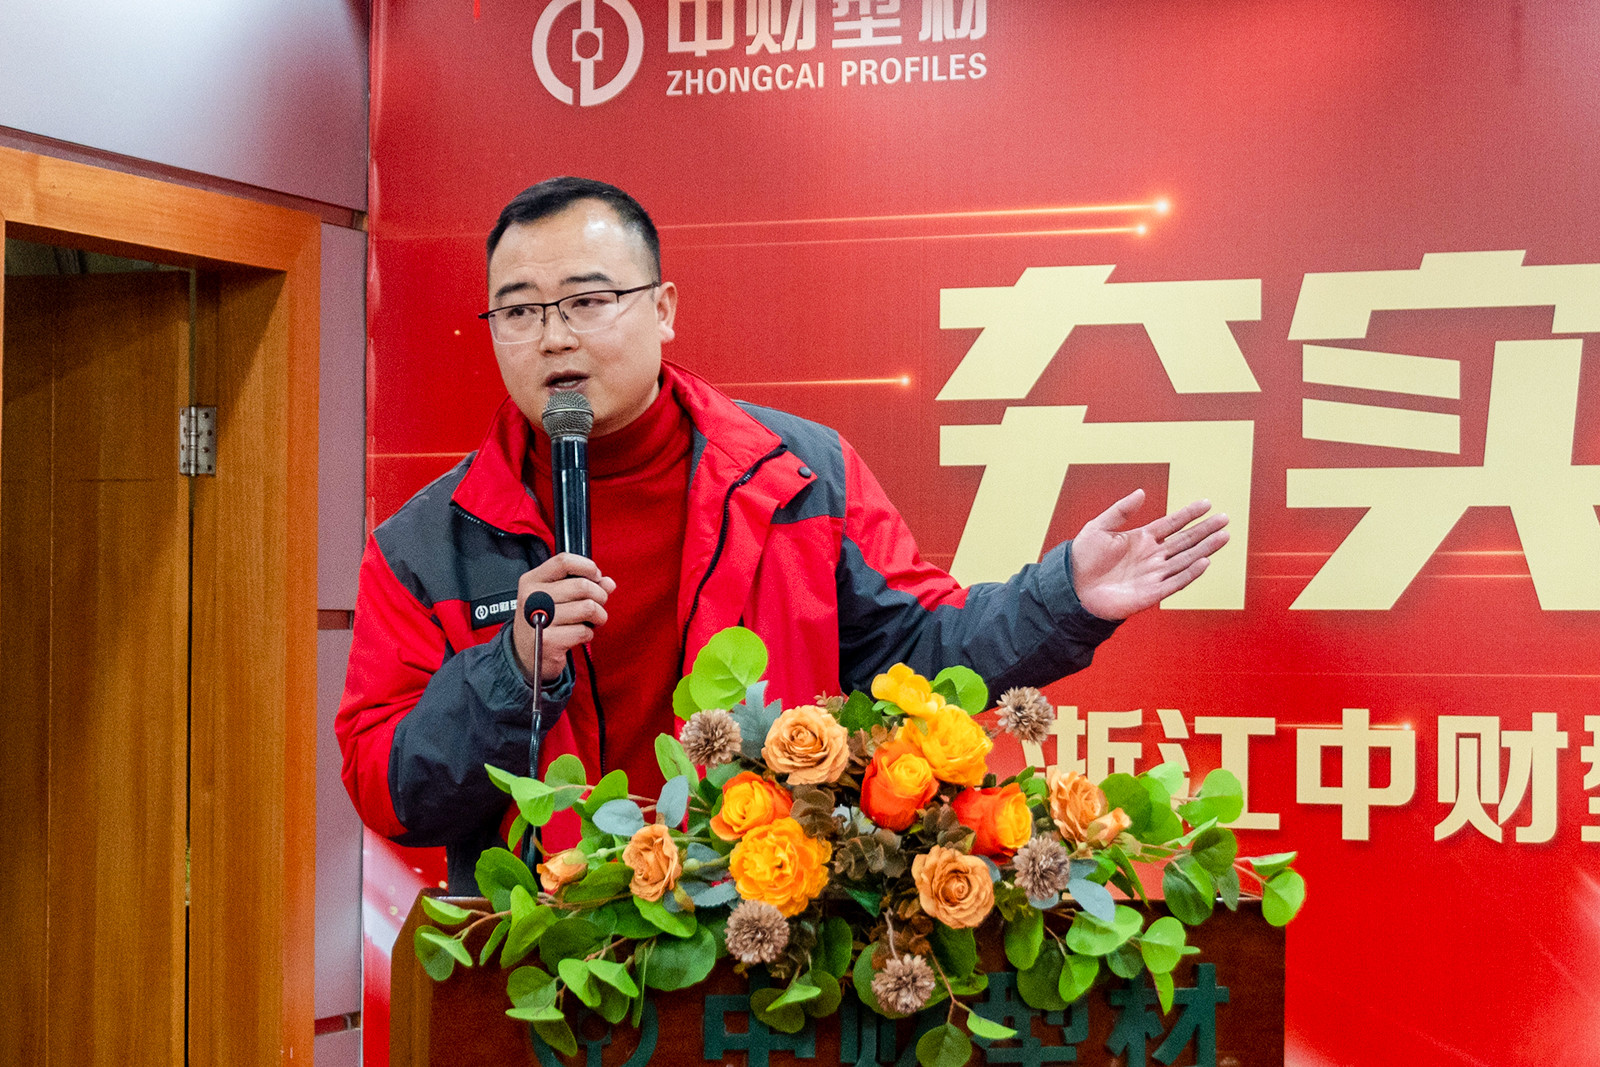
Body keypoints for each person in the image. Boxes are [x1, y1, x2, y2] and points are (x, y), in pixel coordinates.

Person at [336, 177, 1230, 891]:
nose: (552, 337)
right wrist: (509, 670)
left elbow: (923, 653)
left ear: (663, 306)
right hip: (554, 951)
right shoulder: (427, 543)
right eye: (520, 311)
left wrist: (1064, 596)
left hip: (770, 933)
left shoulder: (800, 476)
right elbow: (390, 791)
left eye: (588, 300)